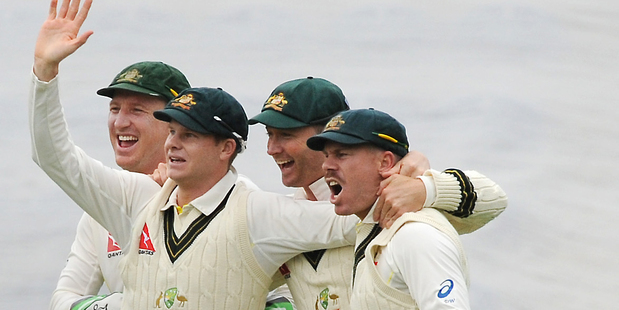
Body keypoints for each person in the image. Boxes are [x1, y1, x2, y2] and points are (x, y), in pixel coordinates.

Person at [31, 0, 354, 308]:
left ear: (226, 148)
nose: (173, 143)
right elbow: (56, 159)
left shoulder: (258, 211)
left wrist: (402, 175)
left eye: (189, 135)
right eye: (172, 132)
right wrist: (45, 70)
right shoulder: (138, 197)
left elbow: (356, 219)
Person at [248, 78, 508, 309]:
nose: (271, 148)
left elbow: (496, 199)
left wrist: (425, 188)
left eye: (285, 134)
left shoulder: (400, 203)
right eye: (269, 135)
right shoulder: (285, 220)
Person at [307, 108, 482, 309]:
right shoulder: (374, 227)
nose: (326, 165)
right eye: (326, 155)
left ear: (385, 162)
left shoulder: (416, 234)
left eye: (341, 154)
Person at [50, 60, 191, 310]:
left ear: (177, 123)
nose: (120, 123)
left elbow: (279, 298)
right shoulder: (101, 209)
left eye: (137, 110)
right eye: (115, 109)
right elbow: (63, 299)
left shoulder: (217, 192)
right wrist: (120, 305)